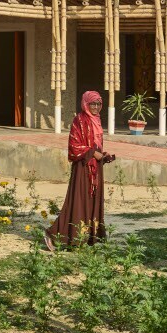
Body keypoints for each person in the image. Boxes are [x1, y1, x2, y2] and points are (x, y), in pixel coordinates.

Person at [46, 91, 116, 248]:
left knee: (93, 201)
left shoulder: (96, 120)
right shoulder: (80, 120)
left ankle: (88, 237)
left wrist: (103, 155)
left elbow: (96, 145)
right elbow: (74, 146)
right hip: (83, 167)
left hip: (95, 168)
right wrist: (93, 153)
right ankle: (54, 235)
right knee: (78, 202)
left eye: (98, 104)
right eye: (93, 104)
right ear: (86, 104)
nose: (96, 107)